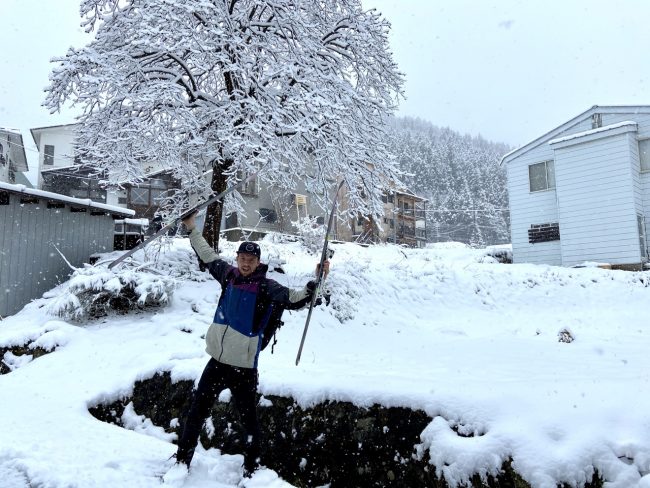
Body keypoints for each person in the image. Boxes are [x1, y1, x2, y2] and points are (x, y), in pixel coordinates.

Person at [165, 213, 328, 480]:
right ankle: (182, 460)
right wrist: (192, 228)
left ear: (258, 262)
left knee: (249, 421)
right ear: (237, 258)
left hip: (243, 368)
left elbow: (295, 298)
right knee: (196, 411)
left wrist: (316, 283)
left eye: (251, 260)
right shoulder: (228, 276)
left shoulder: (266, 287)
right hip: (216, 362)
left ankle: (252, 470)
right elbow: (207, 255)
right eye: (242, 258)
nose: (245, 263)